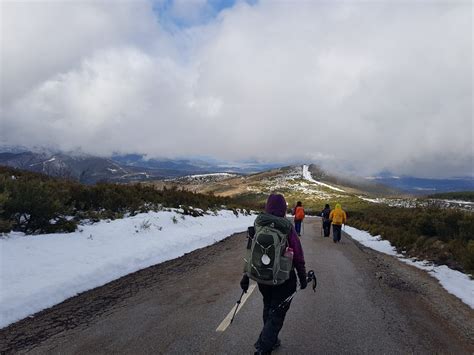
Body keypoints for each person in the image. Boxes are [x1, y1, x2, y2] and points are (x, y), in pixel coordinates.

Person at [240, 193, 307, 355]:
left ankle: (271, 340)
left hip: (262, 277)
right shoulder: (286, 227)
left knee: (269, 306)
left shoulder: (258, 224)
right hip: (283, 279)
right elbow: (297, 255)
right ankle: (263, 348)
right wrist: (302, 277)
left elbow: (251, 253)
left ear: (267, 207)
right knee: (277, 314)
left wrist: (245, 276)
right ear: (283, 209)